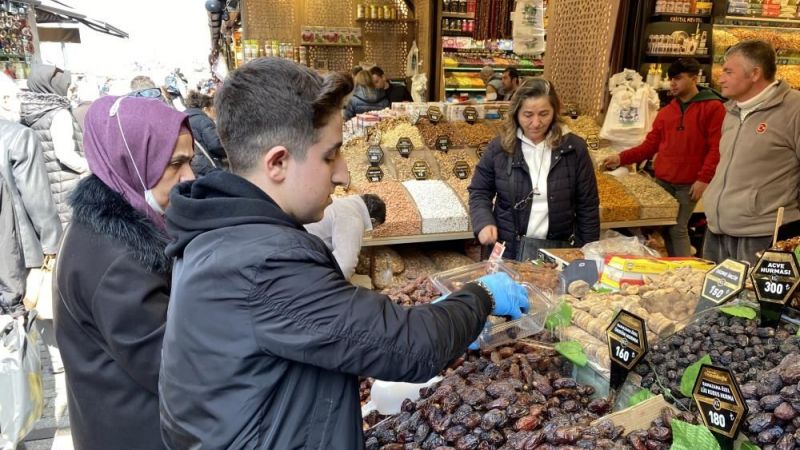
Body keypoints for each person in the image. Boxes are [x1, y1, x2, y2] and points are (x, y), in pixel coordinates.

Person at [159, 58, 529, 449]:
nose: (342, 174)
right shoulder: (263, 262)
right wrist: (481, 296)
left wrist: (437, 316)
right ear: (278, 162)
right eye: (330, 155)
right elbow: (413, 347)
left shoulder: (218, 234)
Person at [54, 95, 194, 450]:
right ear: (131, 159)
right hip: (140, 432)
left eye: (190, 161)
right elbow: (173, 370)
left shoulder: (104, 229)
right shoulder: (121, 260)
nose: (189, 176)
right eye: (175, 163)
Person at [603, 58, 725, 257]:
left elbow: (717, 148)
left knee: (677, 228)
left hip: (689, 183)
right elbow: (650, 146)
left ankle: (685, 268)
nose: (672, 83)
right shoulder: (667, 111)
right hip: (663, 180)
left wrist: (704, 179)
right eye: (671, 79)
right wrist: (620, 158)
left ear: (694, 78)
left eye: (678, 78)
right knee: (663, 227)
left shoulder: (713, 108)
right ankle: (672, 264)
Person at [469, 78, 600, 261]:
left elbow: (588, 206)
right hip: (508, 250)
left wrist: (587, 253)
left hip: (556, 252)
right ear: (516, 113)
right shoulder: (500, 147)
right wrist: (483, 222)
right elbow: (479, 191)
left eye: (544, 114)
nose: (536, 123)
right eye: (528, 115)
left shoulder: (574, 149)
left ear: (555, 111)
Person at [703, 40, 800, 264]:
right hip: (717, 231)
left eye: (728, 72)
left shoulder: (793, 109)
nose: (720, 79)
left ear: (755, 73)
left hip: (762, 236)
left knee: (752, 290)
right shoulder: (731, 110)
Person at [0, 73, 61, 317]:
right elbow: (37, 198)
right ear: (5, 100)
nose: (21, 103)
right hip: (18, 250)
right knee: (25, 317)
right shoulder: (19, 135)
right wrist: (53, 244)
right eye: (17, 97)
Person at [19, 64, 88, 228]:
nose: (72, 92)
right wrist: (90, 167)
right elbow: (65, 154)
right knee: (72, 232)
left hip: (45, 183)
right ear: (54, 87)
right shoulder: (59, 114)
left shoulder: (31, 112)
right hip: (67, 184)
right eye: (68, 87)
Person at [305, 193, 386, 279]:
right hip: (306, 260)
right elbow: (345, 266)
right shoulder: (353, 218)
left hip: (303, 251)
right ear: (372, 220)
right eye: (373, 226)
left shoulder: (344, 205)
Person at [184, 90, 227, 175]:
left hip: (196, 166)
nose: (215, 112)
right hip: (211, 165)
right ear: (206, 109)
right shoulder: (203, 120)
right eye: (213, 108)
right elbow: (215, 145)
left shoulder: (186, 120)